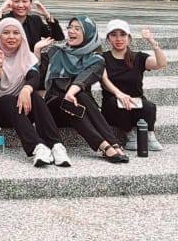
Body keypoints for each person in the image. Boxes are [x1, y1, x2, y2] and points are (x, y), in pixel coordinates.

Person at [0, 17, 68, 168]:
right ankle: (37, 147)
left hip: (20, 109)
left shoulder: (27, 57)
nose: (11, 37)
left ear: (22, 36)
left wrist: (26, 88)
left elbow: (34, 77)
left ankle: (56, 145)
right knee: (9, 100)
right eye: (6, 32)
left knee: (35, 97)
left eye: (16, 33)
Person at [39, 16, 128, 163]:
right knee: (73, 98)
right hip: (54, 107)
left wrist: (71, 93)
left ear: (88, 33)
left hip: (79, 108)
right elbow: (36, 74)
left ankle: (110, 144)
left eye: (77, 28)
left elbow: (84, 78)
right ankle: (106, 145)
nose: (71, 31)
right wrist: (37, 51)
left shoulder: (96, 59)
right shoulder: (56, 52)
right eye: (70, 27)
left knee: (78, 96)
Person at [101, 19, 168, 152]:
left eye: (122, 34)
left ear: (129, 38)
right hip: (113, 103)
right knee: (117, 105)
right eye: (114, 35)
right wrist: (119, 95)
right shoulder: (103, 58)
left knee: (149, 106)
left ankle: (149, 135)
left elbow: (161, 64)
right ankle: (131, 135)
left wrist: (152, 42)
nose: (118, 39)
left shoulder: (138, 57)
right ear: (108, 39)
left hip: (136, 102)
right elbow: (104, 80)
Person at [0, 0, 64, 51]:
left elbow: (58, 37)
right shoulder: (4, 20)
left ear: (30, 4)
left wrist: (47, 16)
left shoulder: (35, 20)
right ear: (10, 3)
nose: (21, 5)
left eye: (24, 1)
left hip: (33, 60)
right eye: (16, 1)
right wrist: (0, 12)